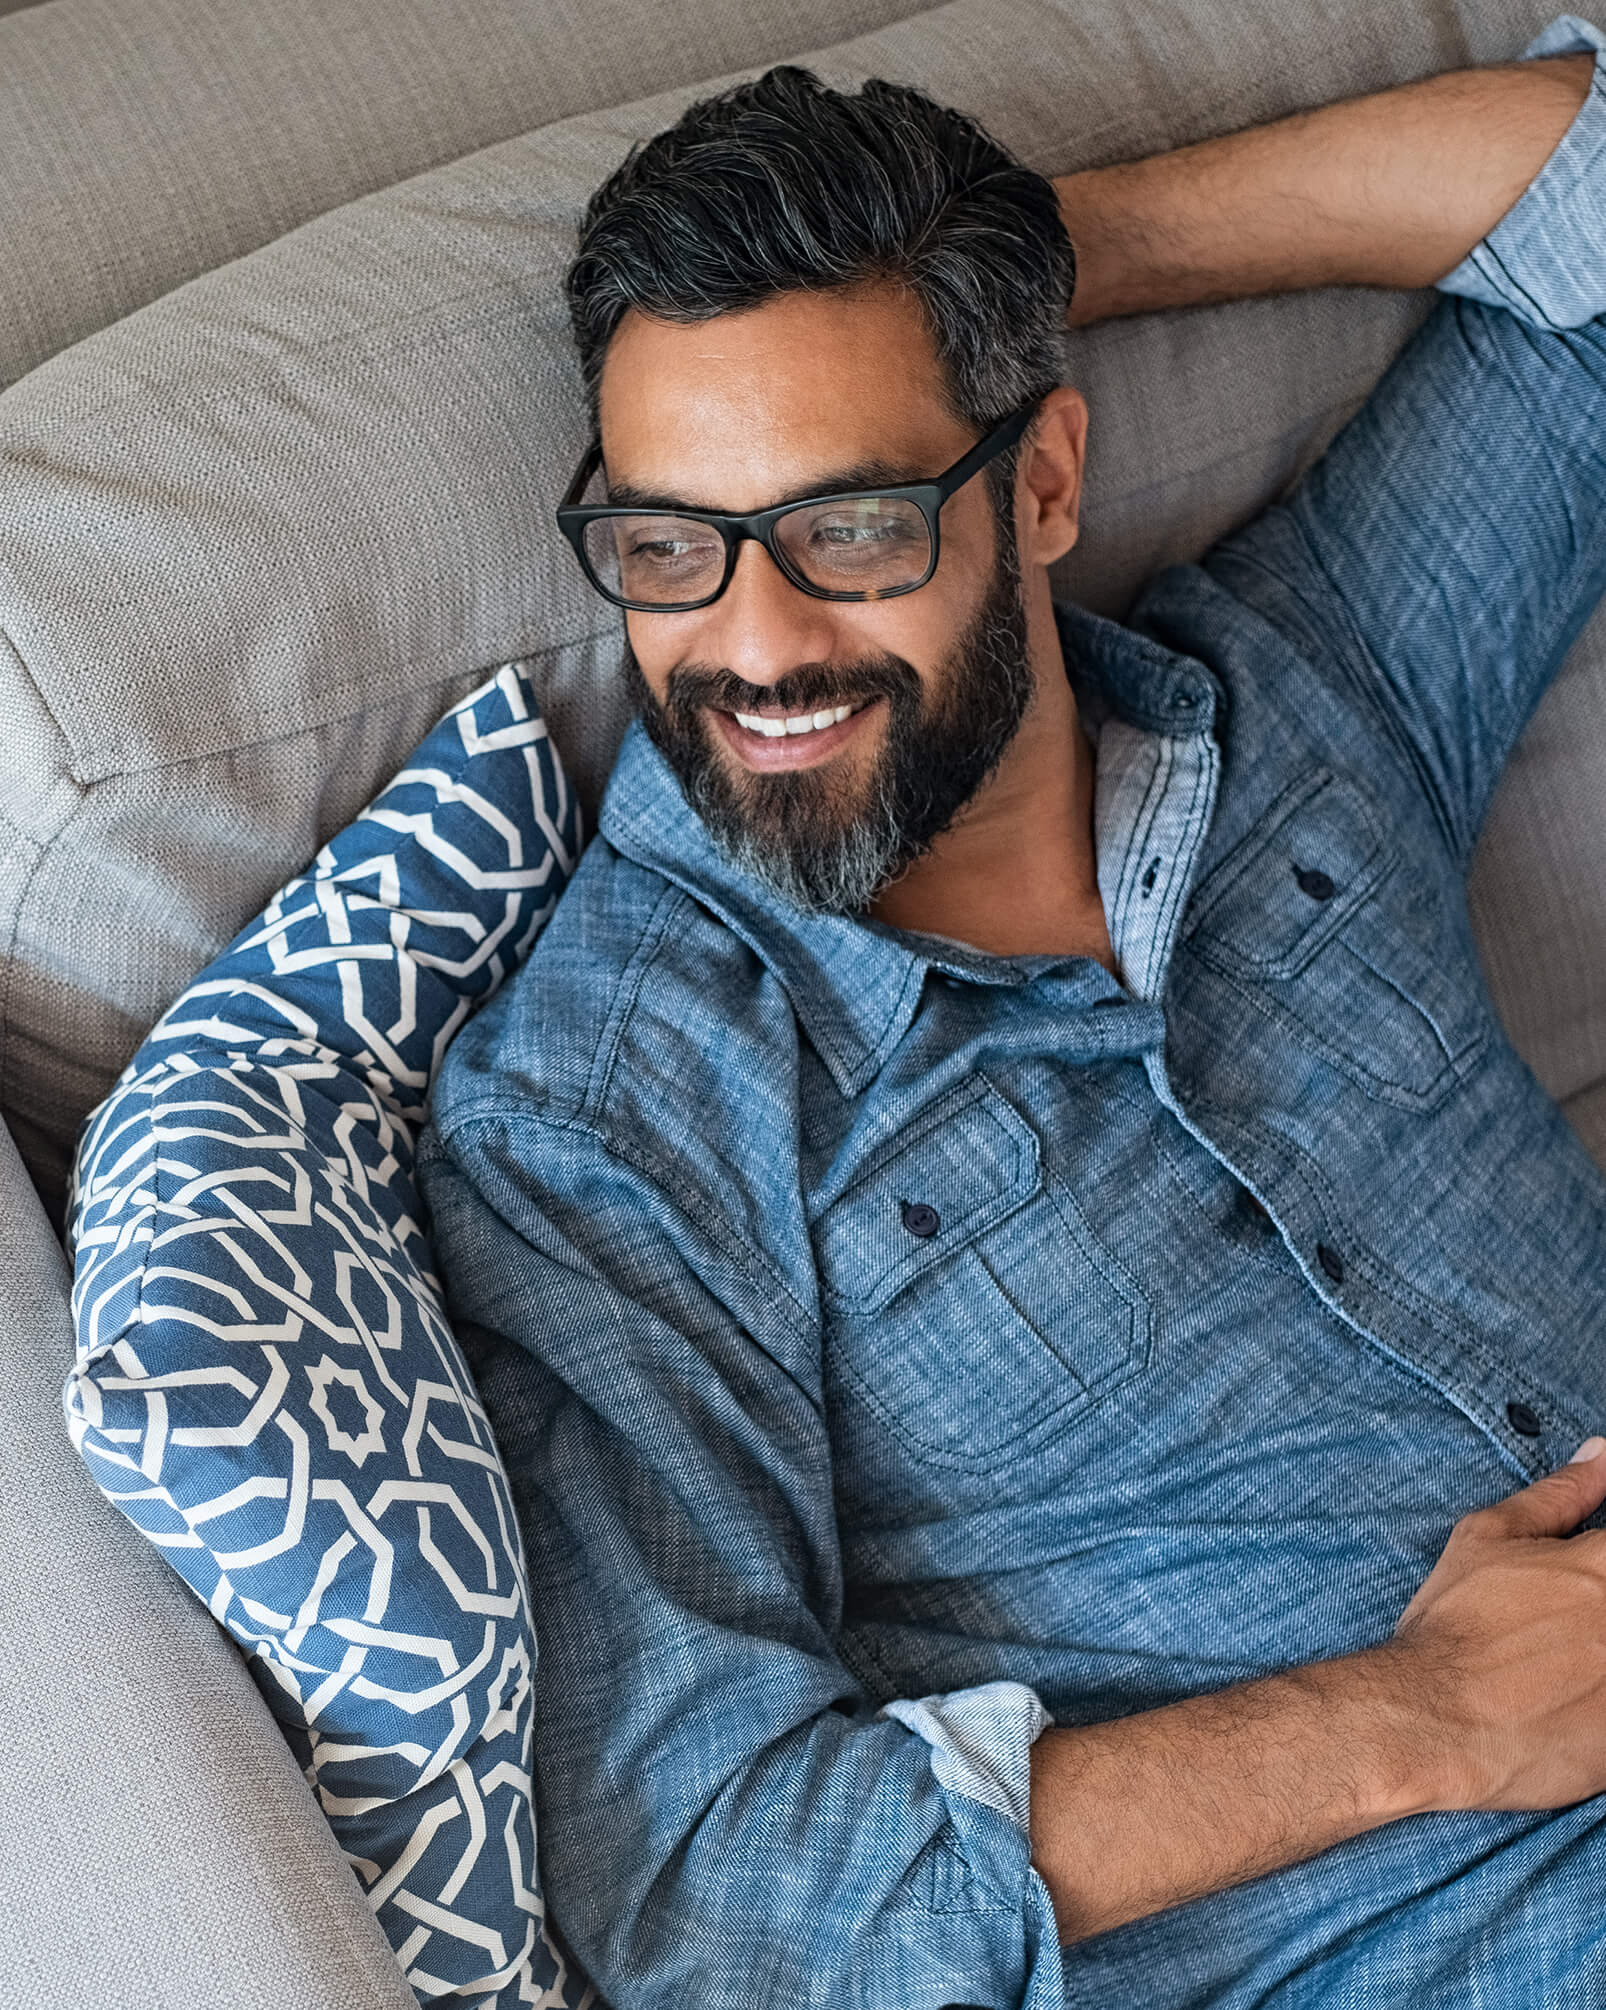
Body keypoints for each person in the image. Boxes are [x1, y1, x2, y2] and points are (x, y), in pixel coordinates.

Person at [417, 17, 1606, 2006]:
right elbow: (710, 1896)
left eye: (854, 525)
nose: (755, 644)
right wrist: (1429, 1716)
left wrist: (1052, 258)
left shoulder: (1309, 695)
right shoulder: (611, 1123)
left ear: (1040, 477)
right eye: (665, 550)